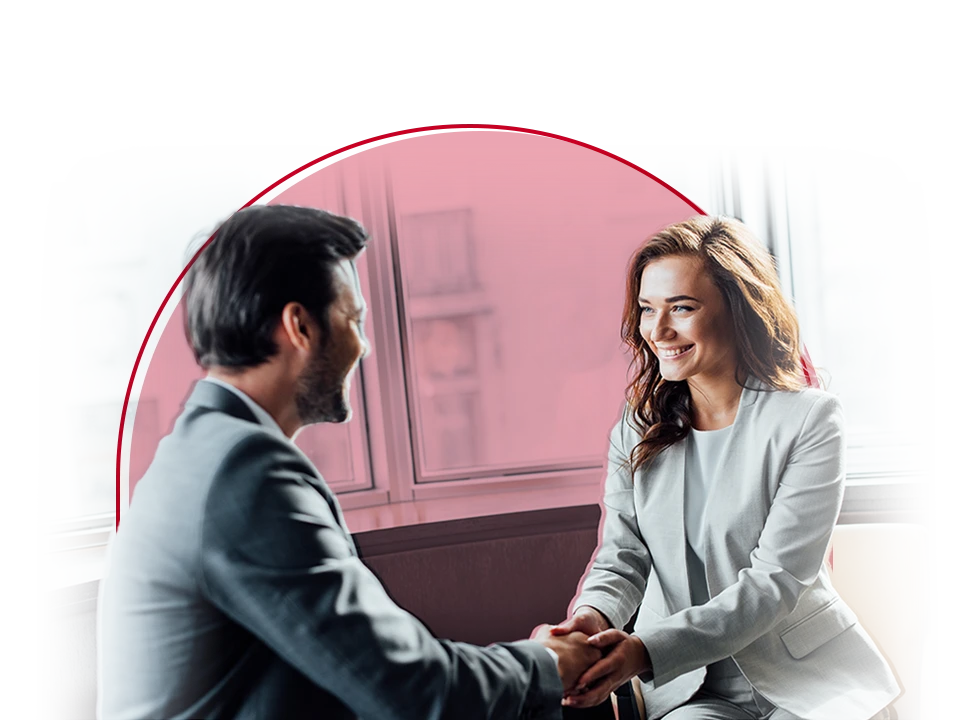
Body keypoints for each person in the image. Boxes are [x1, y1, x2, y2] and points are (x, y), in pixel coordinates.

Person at [96, 204, 600, 719]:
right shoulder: (245, 473)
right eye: (353, 320)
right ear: (299, 326)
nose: (363, 346)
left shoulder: (199, 452)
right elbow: (413, 691)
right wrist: (545, 663)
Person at [549, 215, 898, 720]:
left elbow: (774, 583)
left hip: (810, 681)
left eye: (682, 308)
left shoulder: (810, 420)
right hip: (694, 688)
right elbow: (622, 556)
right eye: (648, 309)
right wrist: (588, 620)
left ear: (739, 310)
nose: (658, 330)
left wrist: (642, 650)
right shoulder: (638, 425)